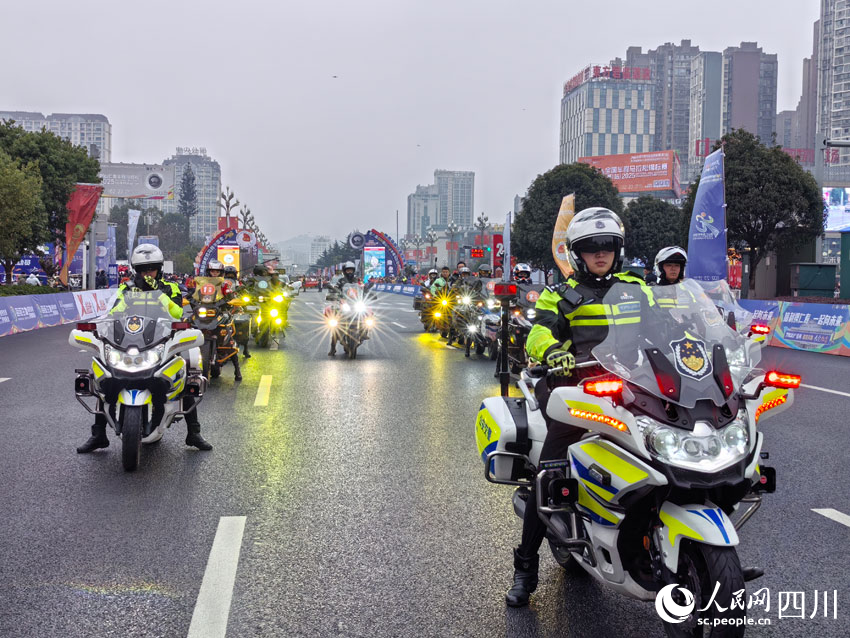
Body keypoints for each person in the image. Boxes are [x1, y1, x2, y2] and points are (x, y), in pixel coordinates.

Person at [505, 207, 651, 607]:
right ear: (576, 253)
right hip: (579, 394)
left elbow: (673, 325)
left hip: (638, 391)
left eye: (608, 246)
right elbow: (536, 332)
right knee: (548, 479)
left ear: (618, 251)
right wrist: (552, 350)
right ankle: (525, 568)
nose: (600, 254)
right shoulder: (559, 295)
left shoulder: (638, 289)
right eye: (591, 247)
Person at [77, 244, 213, 454]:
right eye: (142, 269)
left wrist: (158, 294)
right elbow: (114, 311)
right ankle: (98, 435)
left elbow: (177, 313)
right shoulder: (127, 288)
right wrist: (98, 325)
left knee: (186, 373)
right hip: (130, 342)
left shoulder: (171, 287)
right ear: (135, 269)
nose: (146, 273)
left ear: (159, 268)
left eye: (151, 268)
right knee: (103, 377)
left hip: (162, 342)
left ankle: (193, 433)